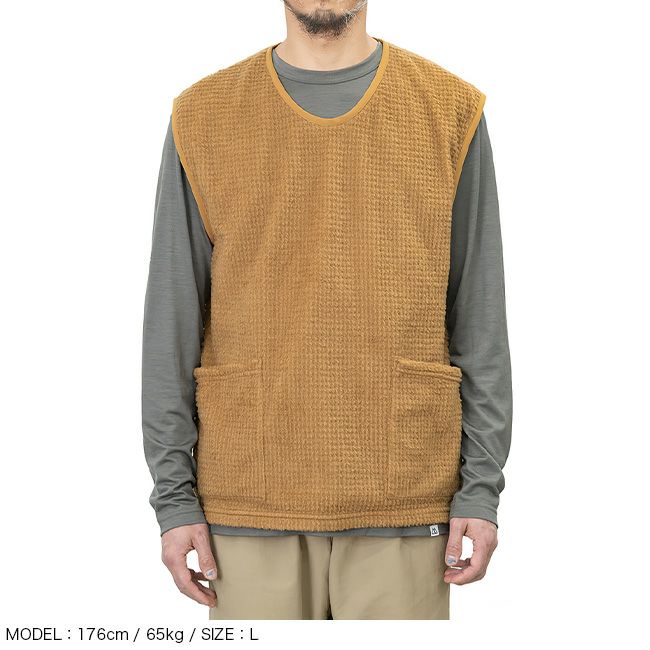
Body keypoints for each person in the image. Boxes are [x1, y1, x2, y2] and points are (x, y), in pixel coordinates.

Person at [142, 0, 512, 620]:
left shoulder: (450, 109)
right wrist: (174, 498)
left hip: (406, 492)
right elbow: (171, 321)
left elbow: (479, 316)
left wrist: (480, 489)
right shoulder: (202, 114)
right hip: (249, 493)